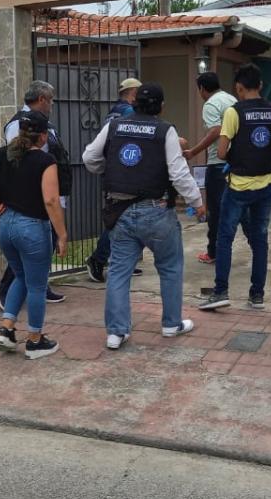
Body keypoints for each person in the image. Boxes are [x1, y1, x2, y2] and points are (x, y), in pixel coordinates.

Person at [83, 82, 205, 350]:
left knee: (118, 272)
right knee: (170, 267)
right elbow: (178, 172)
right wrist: (197, 201)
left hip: (120, 210)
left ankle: (116, 333)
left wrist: (109, 168)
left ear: (135, 102)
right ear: (161, 106)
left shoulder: (114, 126)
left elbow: (90, 157)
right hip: (157, 210)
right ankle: (171, 324)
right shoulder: (165, 130)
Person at [0, 110, 68, 359]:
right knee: (36, 285)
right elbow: (52, 201)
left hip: (6, 226)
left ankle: (6, 329)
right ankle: (34, 340)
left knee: (20, 277)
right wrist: (62, 234)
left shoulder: (3, 154)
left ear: (23, 132)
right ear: (43, 136)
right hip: (32, 229)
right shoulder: (46, 162)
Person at [199, 63, 271, 312]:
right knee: (260, 241)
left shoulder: (234, 112)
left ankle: (220, 292)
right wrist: (261, 155)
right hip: (265, 186)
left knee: (224, 239)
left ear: (238, 87)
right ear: (260, 85)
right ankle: (257, 295)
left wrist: (241, 157)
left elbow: (221, 151)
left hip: (238, 185)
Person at [0, 81, 70, 308]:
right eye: (51, 100)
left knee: (43, 245)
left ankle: (41, 285)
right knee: (30, 245)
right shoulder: (18, 124)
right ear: (41, 100)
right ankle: (5, 290)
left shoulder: (44, 124)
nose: (52, 104)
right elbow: (15, 160)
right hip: (32, 197)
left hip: (46, 191)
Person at [86, 77, 145, 283]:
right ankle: (98, 259)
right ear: (134, 93)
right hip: (126, 172)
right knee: (121, 219)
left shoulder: (113, 112)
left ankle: (122, 261)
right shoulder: (129, 113)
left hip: (113, 171)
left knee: (123, 218)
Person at [183, 71, 237, 265]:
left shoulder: (211, 104)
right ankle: (227, 249)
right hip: (235, 162)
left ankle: (213, 252)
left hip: (218, 163)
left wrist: (194, 151)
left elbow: (215, 130)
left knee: (215, 209)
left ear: (202, 89)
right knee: (233, 207)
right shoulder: (231, 99)